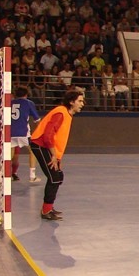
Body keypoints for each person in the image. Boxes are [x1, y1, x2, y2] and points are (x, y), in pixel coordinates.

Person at [29, 90, 85, 221]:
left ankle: (48, 207)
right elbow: (48, 136)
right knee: (54, 177)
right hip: (40, 145)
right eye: (80, 101)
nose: (82, 104)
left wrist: (58, 157)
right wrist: (54, 156)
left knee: (58, 176)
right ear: (71, 102)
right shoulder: (61, 113)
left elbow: (58, 139)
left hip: (47, 147)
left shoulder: (67, 115)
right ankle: (46, 210)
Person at [11, 86, 41, 183]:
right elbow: (37, 119)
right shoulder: (29, 103)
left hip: (10, 133)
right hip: (23, 133)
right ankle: (32, 176)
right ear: (26, 94)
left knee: (8, 155)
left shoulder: (10, 103)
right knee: (33, 151)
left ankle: (1, 176)